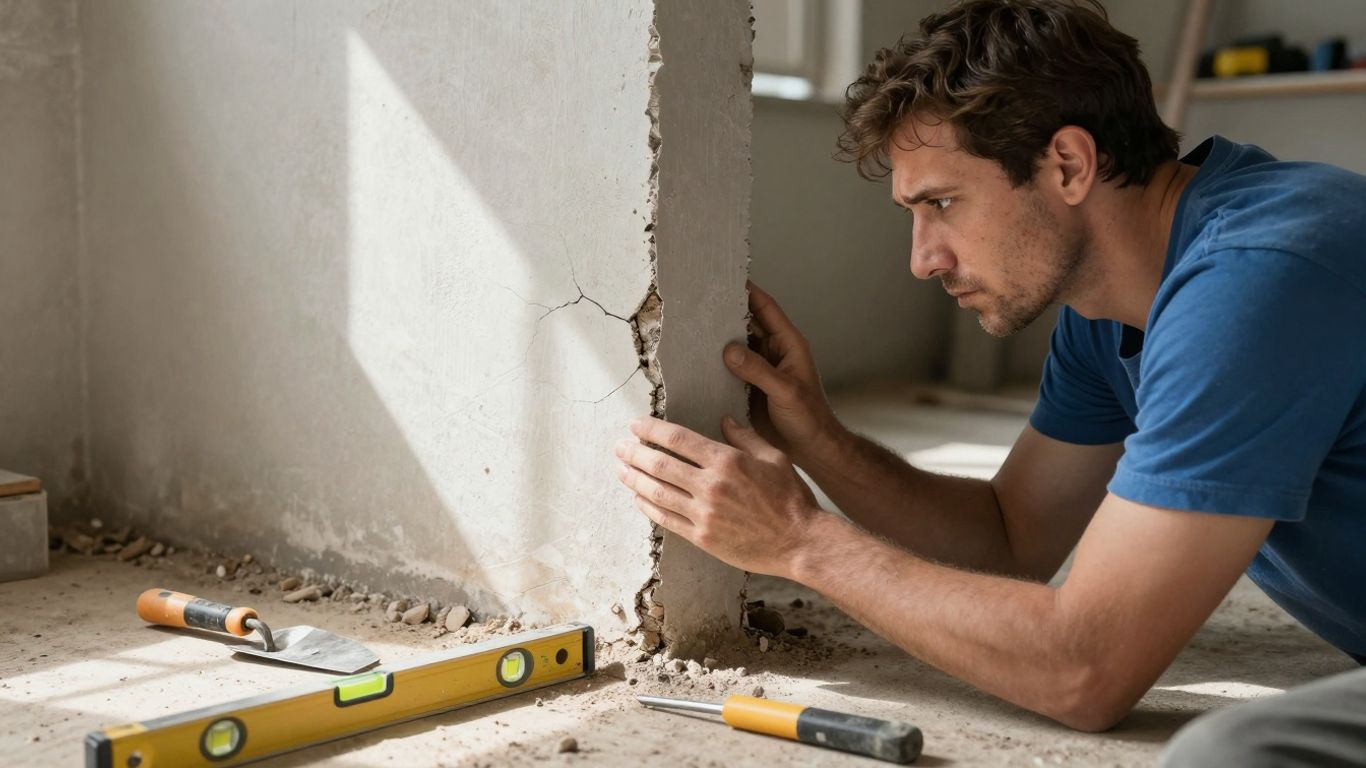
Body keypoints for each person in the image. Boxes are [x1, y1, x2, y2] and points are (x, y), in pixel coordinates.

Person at [613, 0, 1366, 762]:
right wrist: (821, 441)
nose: (923, 259)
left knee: (1227, 756)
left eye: (942, 203)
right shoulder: (1108, 311)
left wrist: (801, 542)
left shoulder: (1257, 279)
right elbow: (1010, 540)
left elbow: (1086, 669)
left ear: (1068, 164)